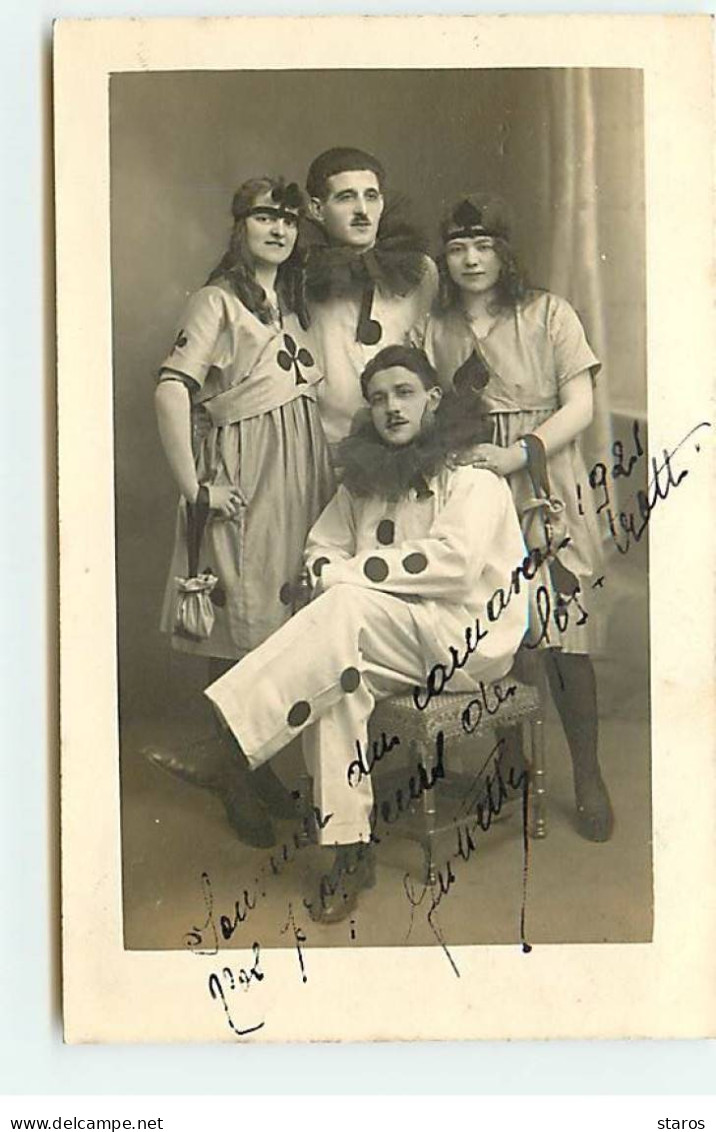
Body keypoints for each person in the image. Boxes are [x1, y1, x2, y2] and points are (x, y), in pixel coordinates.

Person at [153, 345, 529, 923]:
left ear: (432, 399)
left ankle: (230, 744)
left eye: (404, 393)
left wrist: (347, 577)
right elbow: (321, 548)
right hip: (392, 636)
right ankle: (348, 851)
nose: (391, 408)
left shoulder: (470, 476)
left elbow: (454, 564)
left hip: (468, 636)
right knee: (335, 679)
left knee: (344, 612)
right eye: (378, 399)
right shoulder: (366, 481)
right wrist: (335, 572)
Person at [421, 192, 613, 842]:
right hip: (474, 484)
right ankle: (511, 763)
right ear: (443, 258)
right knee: (494, 624)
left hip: (543, 473)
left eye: (483, 245)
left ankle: (587, 774)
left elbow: (580, 404)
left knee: (564, 632)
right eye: (457, 247)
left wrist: (520, 453)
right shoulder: (434, 326)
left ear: (504, 251)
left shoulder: (547, 313)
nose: (471, 259)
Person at [148, 176, 335, 829]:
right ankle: (234, 776)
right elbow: (172, 391)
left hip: (297, 480)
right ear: (240, 227)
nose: (278, 230)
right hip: (244, 481)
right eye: (264, 218)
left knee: (281, 624)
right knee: (240, 625)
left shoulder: (286, 305)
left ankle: (256, 767)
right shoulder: (216, 301)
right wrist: (196, 487)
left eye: (287, 219)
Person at [304, 146, 438, 449]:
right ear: (316, 209)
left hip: (402, 441)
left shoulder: (419, 271)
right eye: (346, 197)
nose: (362, 210)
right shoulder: (300, 275)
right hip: (323, 444)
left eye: (371, 196)